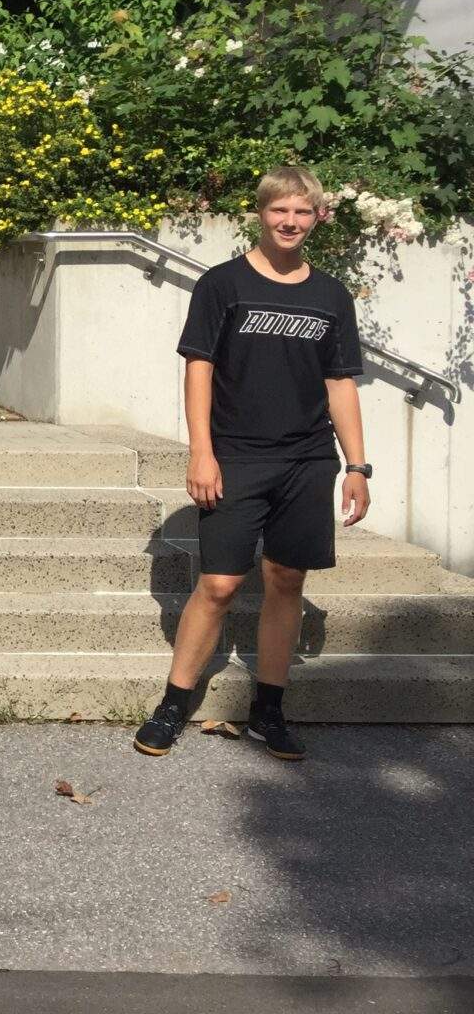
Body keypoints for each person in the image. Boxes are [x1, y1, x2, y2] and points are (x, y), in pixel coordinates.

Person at [133, 166, 369, 762]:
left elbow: (341, 383)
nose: (290, 222)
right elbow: (199, 368)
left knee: (287, 580)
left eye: (302, 212)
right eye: (279, 211)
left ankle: (269, 709)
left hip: (308, 459)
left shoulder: (331, 296)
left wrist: (358, 467)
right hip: (235, 455)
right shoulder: (222, 285)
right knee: (218, 584)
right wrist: (202, 450)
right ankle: (173, 704)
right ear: (260, 214)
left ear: (317, 218)